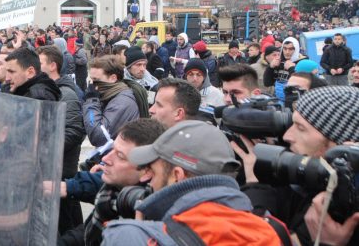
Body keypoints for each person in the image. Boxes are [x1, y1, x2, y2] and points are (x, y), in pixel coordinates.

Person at [102, 121, 283, 245]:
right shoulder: (274, 230)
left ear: (177, 176)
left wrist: (142, 232)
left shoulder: (129, 236)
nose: (150, 182)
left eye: (154, 172)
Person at [237, 86, 359, 245]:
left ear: (341, 147)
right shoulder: (315, 184)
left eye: (301, 128)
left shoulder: (343, 209)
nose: (287, 136)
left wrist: (254, 188)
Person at [57, 119, 166, 246]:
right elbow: (93, 230)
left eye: (120, 156)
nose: (105, 158)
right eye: (112, 149)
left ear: (147, 172)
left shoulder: (146, 223)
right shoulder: (111, 194)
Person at [35, 45, 87, 234]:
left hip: (62, 171)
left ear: (52, 66)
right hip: (49, 170)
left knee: (67, 225)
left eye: (39, 63)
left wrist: (43, 146)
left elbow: (74, 131)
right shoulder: (45, 90)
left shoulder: (66, 94)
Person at [82, 55, 140, 151]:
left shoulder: (122, 101)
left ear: (113, 78)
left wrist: (91, 102)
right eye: (91, 80)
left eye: (96, 80)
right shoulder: (109, 96)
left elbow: (98, 137)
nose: (92, 84)